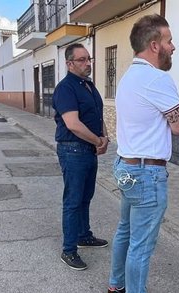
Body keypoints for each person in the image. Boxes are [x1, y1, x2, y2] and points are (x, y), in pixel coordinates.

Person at [107, 14, 179, 293]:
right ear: (155, 45)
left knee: (126, 231)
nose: (173, 47)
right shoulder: (157, 79)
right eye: (168, 41)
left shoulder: (130, 77)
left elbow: (156, 116)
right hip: (147, 175)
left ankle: (116, 286)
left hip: (126, 167)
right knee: (141, 243)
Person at [52, 43, 110, 271]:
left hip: (88, 150)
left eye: (89, 59)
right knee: (73, 201)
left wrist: (104, 137)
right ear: (69, 63)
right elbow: (73, 124)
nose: (88, 63)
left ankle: (84, 235)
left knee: (86, 197)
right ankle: (69, 249)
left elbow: (97, 115)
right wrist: (98, 141)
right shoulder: (66, 88)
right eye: (82, 60)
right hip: (73, 150)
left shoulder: (88, 86)